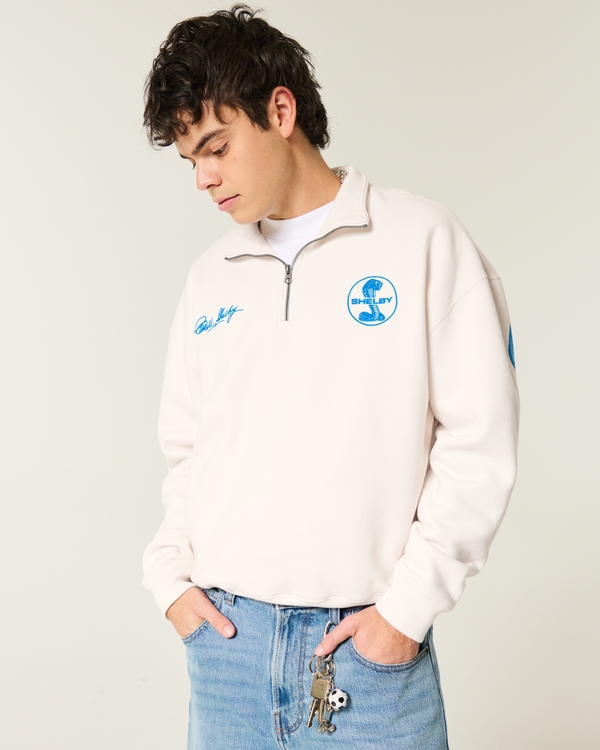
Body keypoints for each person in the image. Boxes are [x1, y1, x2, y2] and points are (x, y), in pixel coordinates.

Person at [142, 5, 519, 749]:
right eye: (190, 160)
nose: (204, 178)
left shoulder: (421, 240)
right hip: (227, 651)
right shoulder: (210, 278)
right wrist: (171, 583)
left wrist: (406, 612)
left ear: (280, 111)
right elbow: (188, 451)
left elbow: (479, 442)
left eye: (216, 146)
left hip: (368, 657)